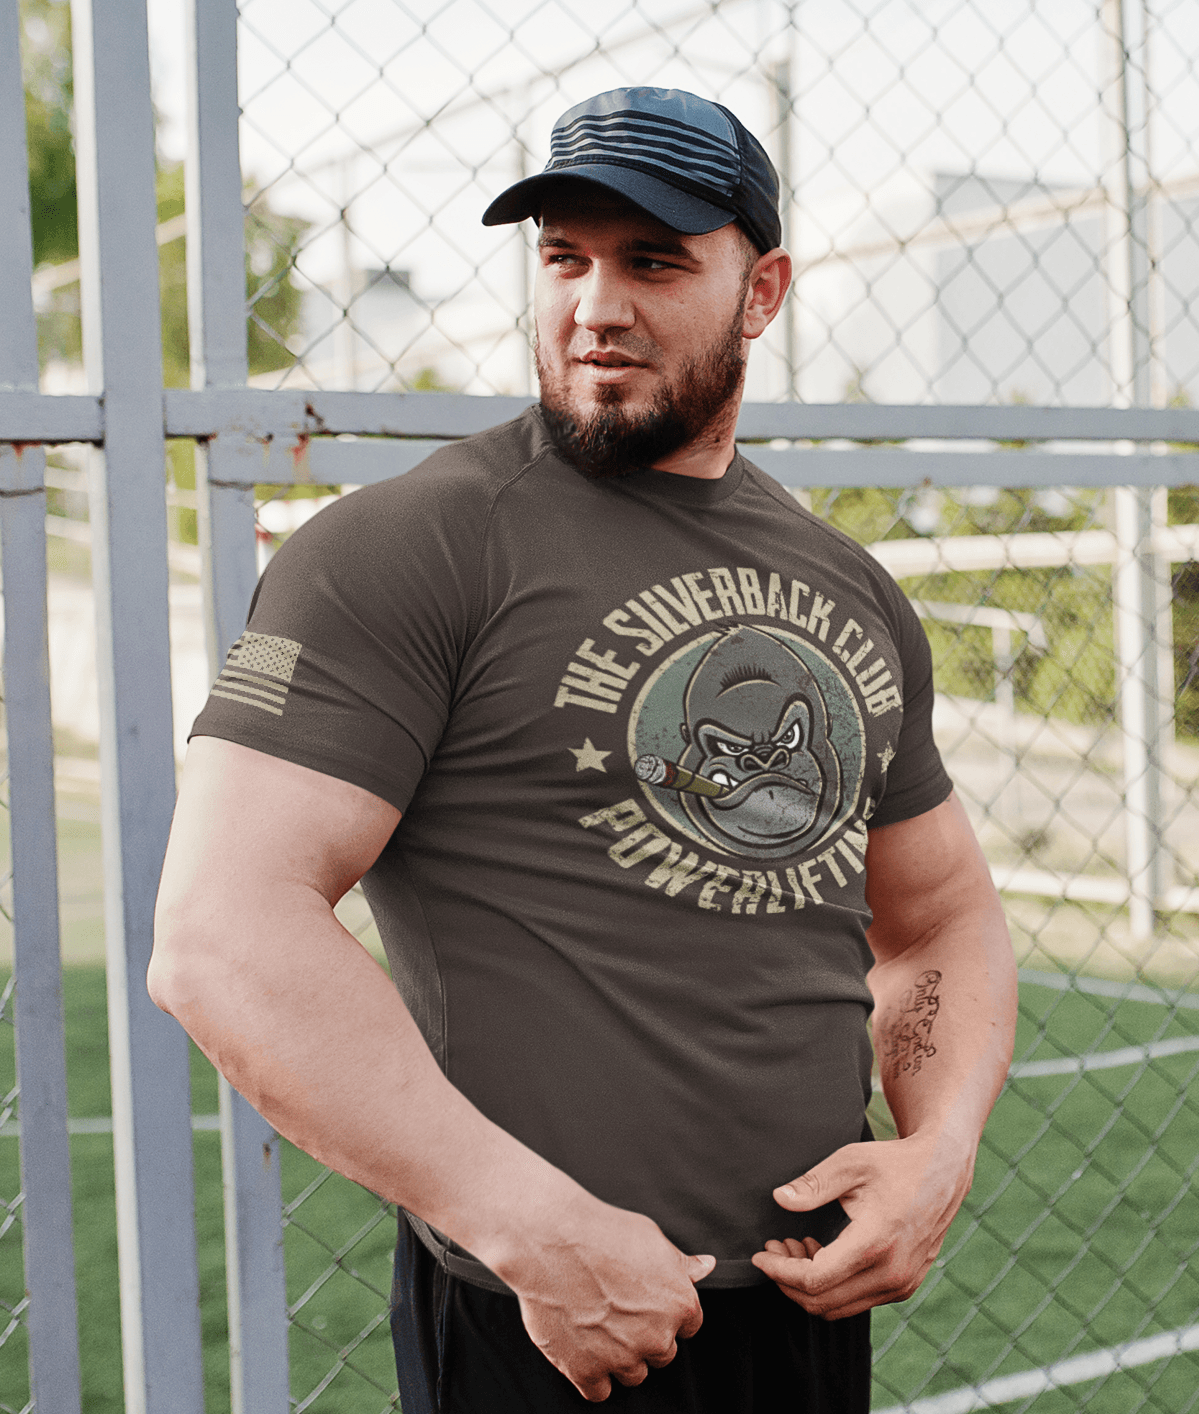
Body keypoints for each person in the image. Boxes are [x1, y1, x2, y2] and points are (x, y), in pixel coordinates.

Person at [150, 86, 1017, 1412]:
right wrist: (524, 1223)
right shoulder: (409, 549)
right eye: (565, 256)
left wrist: (936, 1148)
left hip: (801, 1310)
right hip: (546, 1323)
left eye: (653, 260)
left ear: (763, 288)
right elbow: (221, 932)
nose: (594, 304)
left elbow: (942, 916)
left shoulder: (851, 590)